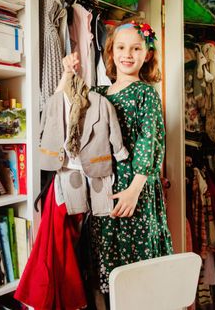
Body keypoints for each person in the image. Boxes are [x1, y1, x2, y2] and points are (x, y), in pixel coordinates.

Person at [61, 19, 173, 301]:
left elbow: (150, 142)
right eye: (121, 47)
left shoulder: (146, 93)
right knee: (110, 268)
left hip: (134, 188)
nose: (128, 54)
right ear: (110, 52)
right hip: (104, 188)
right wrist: (67, 72)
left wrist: (135, 190)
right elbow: (68, 102)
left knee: (138, 266)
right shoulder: (98, 92)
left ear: (146, 54)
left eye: (136, 48)